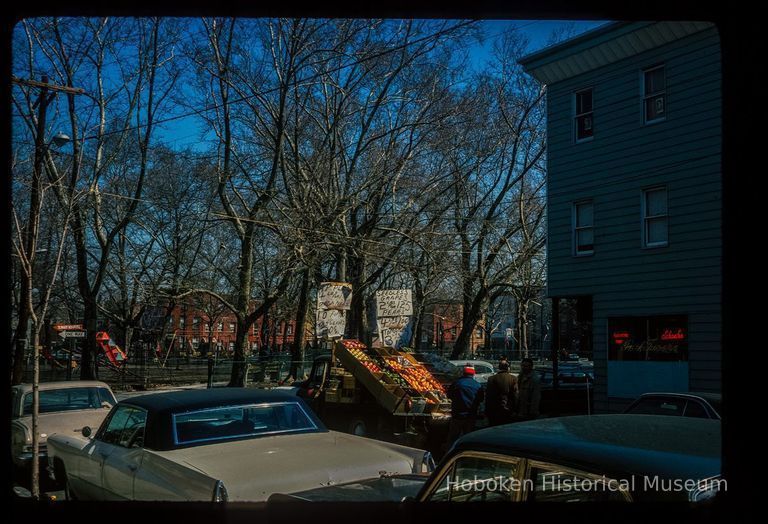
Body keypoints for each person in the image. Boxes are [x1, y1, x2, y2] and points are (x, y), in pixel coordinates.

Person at [445, 366, 485, 448]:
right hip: (471, 416)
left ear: (463, 373)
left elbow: (449, 395)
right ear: (473, 374)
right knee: (468, 438)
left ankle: (449, 454)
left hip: (457, 415)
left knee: (453, 437)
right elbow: (481, 399)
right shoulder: (478, 385)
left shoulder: (457, 383)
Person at [484, 359, 517, 427]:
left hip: (494, 410)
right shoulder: (513, 378)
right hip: (508, 410)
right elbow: (515, 395)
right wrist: (515, 409)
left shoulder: (491, 379)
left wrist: (487, 411)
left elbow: (488, 396)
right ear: (508, 368)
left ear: (499, 367)